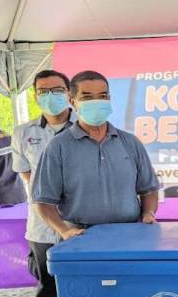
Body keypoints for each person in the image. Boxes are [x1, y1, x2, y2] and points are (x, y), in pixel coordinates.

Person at [32, 70, 159, 241]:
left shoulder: (130, 142)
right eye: (87, 97)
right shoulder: (58, 146)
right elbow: (44, 202)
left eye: (102, 96)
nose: (96, 102)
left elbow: (149, 189)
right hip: (80, 238)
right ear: (72, 102)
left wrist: (148, 213)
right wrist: (63, 231)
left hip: (130, 235)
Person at [11, 70, 75, 297]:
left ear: (69, 93)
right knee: (48, 290)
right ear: (35, 96)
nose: (51, 96)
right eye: (44, 91)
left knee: (89, 284)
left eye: (57, 90)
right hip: (42, 227)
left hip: (82, 222)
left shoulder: (87, 127)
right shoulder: (22, 133)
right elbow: (27, 174)